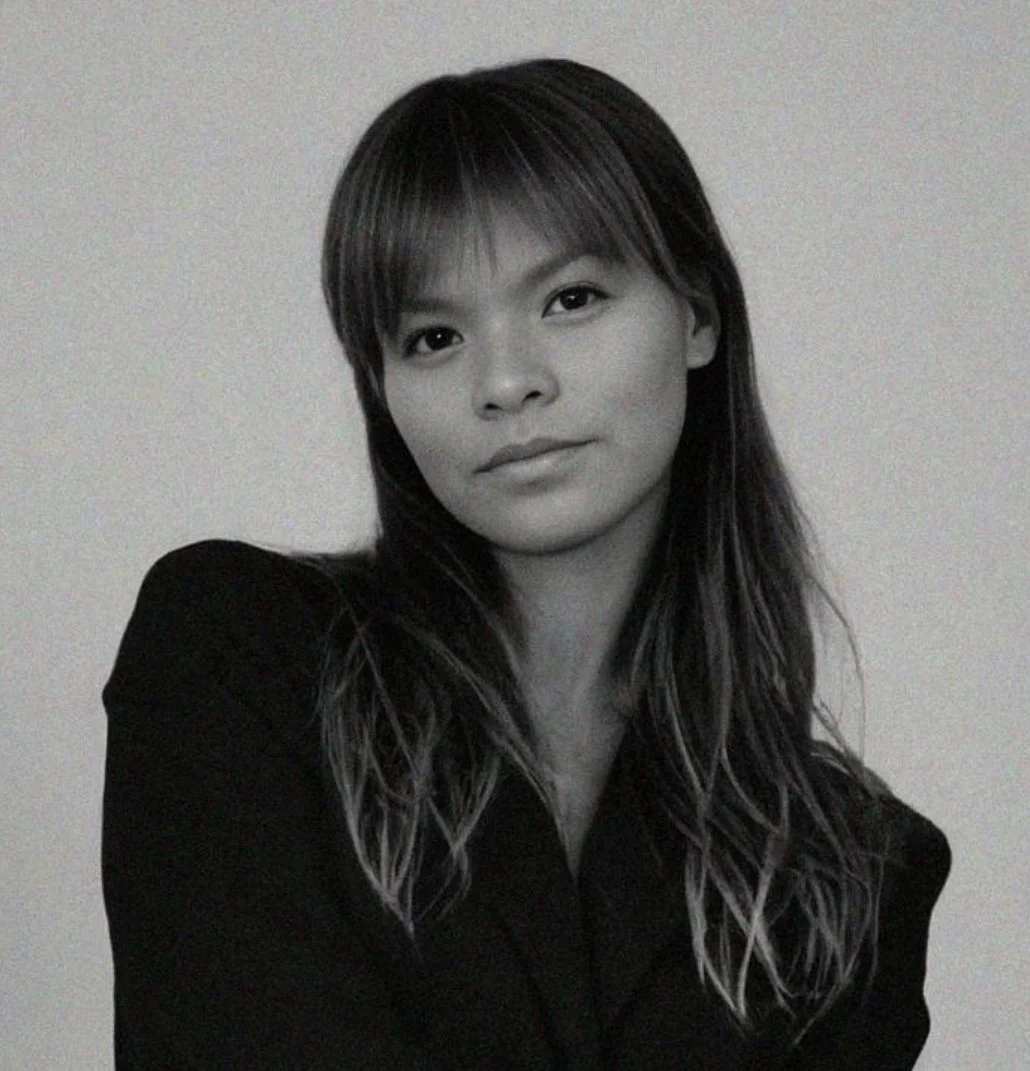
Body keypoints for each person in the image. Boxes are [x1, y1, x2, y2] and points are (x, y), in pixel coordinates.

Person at [101, 58, 950, 1069]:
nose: (504, 382)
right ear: (383, 387)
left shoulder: (848, 871)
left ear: (695, 315)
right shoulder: (243, 663)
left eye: (572, 298)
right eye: (433, 336)